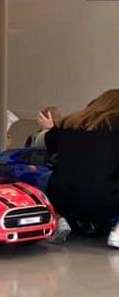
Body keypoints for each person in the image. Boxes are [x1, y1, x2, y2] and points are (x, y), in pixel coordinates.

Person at [42, 89, 119, 246]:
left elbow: (49, 142)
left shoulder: (69, 123)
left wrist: (50, 128)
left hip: (61, 199)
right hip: (105, 200)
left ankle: (58, 219)